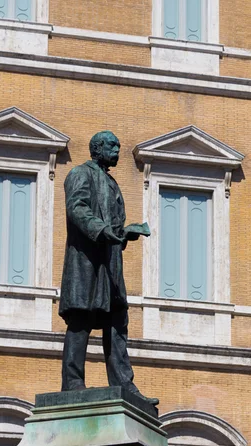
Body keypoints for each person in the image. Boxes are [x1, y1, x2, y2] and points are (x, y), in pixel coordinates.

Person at [59, 130, 158, 405]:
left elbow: (113, 224)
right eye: (112, 146)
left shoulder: (112, 184)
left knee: (117, 322)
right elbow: (77, 209)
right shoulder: (80, 174)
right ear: (97, 148)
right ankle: (73, 383)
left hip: (111, 264)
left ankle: (125, 384)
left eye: (118, 145)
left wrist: (124, 233)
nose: (117, 151)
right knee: (81, 320)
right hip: (87, 262)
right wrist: (103, 231)